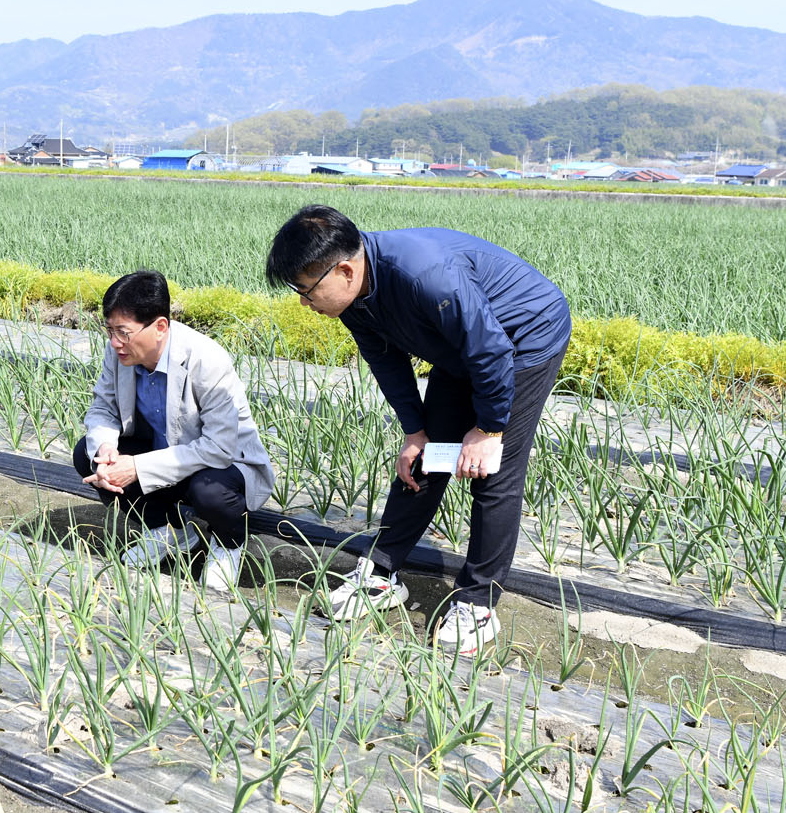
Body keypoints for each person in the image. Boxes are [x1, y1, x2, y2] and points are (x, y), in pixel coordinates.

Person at [265, 205, 571, 654]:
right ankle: (383, 573)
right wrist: (415, 432)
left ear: (345, 270)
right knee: (430, 458)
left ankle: (478, 601)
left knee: (492, 471)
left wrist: (488, 431)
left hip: (523, 340)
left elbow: (491, 351)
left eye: (307, 290)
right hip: (463, 347)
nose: (303, 302)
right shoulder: (354, 300)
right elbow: (386, 360)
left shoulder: (425, 274)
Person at [76, 270, 276, 596]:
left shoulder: (205, 360)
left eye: (123, 332)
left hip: (223, 466)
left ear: (160, 327)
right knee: (87, 454)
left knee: (209, 491)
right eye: (109, 330)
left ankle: (229, 543)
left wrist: (137, 468)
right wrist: (107, 450)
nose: (114, 342)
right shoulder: (118, 353)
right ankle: (168, 530)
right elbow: (102, 409)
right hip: (165, 455)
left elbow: (218, 448)